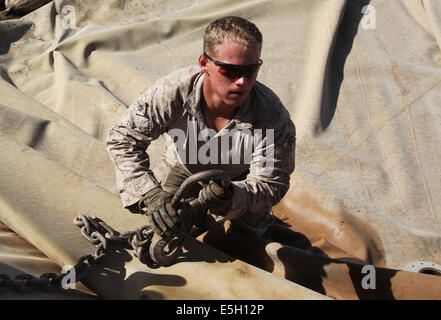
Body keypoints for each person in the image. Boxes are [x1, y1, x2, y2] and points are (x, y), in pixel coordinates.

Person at [106, 16, 296, 241]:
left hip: (241, 179)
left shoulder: (271, 116)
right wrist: (151, 194)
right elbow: (122, 140)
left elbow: (272, 184)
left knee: (251, 238)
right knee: (164, 226)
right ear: (205, 63)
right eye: (230, 71)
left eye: (251, 70)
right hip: (183, 168)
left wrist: (234, 195)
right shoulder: (170, 93)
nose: (242, 82)